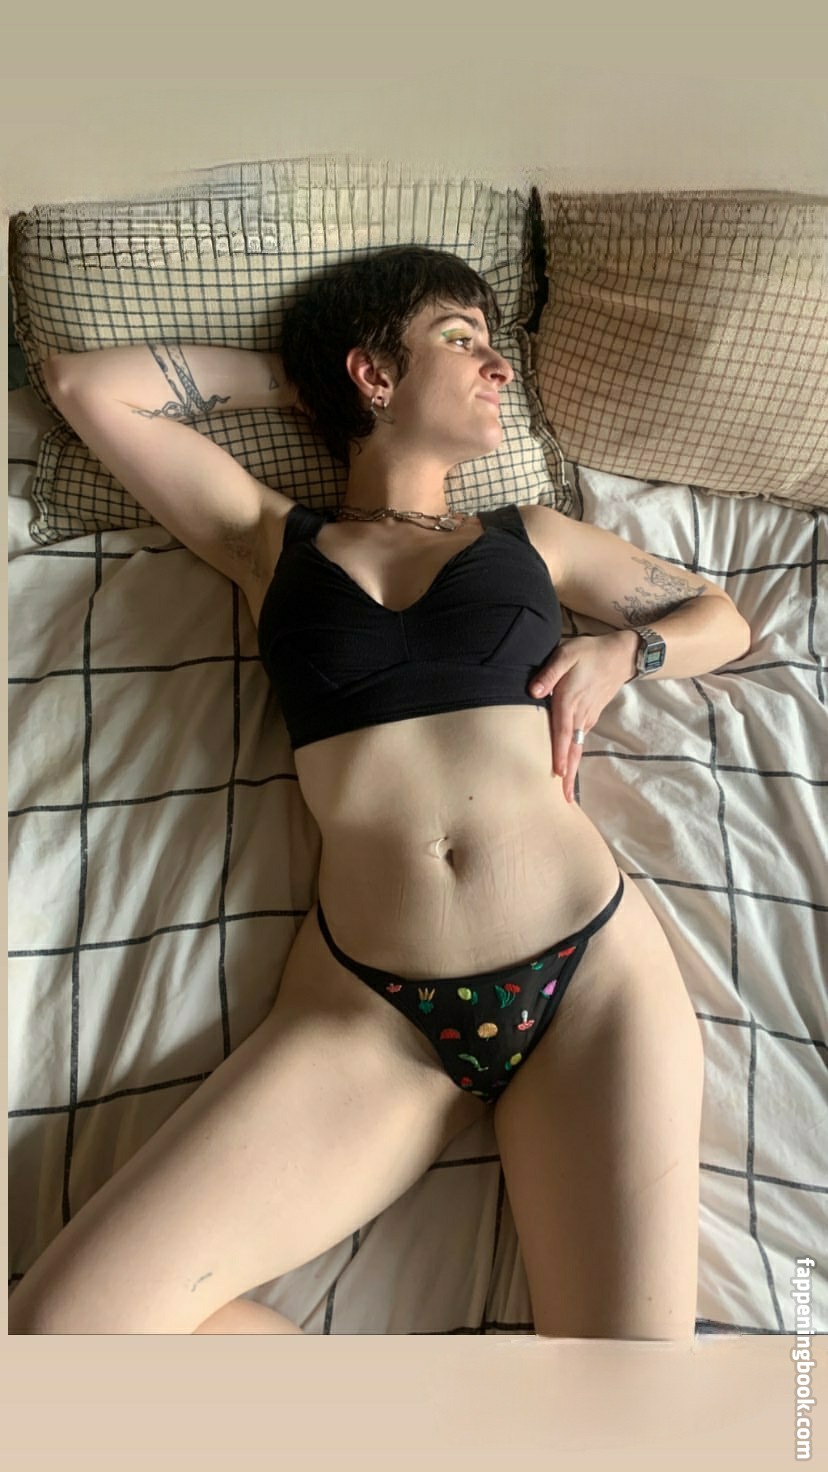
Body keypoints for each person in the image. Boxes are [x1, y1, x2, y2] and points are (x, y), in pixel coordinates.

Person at [10, 245, 750, 1339]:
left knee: (631, 1404)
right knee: (64, 1333)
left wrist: (622, 654)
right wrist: (304, 376)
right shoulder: (268, 540)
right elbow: (84, 386)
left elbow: (722, 619)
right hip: (372, 1020)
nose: (500, 367)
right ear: (374, 372)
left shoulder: (531, 535)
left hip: (588, 979)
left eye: (496, 346)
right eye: (462, 338)